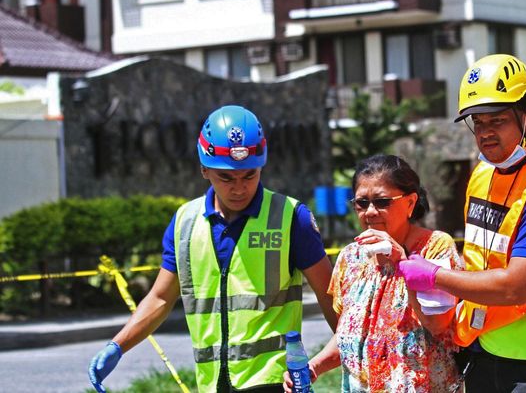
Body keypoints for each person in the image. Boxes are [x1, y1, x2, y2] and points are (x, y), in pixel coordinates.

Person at [88, 105, 338, 393]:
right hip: (211, 384)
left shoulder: (292, 217)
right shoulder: (185, 222)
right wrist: (117, 346)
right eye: (227, 178)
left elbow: (330, 297)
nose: (239, 188)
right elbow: (160, 298)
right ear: (204, 169)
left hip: (274, 381)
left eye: (249, 175)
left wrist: (347, 359)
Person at [397, 54, 526, 393]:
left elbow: (516, 286)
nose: (485, 133)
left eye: (498, 121)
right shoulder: (483, 174)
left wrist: (436, 277)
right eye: (478, 122)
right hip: (485, 349)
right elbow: (481, 262)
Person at [284, 154, 461, 392]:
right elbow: (351, 334)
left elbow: (439, 324)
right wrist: (315, 365)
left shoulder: (436, 248)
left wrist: (402, 263)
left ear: (410, 203)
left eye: (382, 202)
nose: (370, 212)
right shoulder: (350, 257)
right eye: (361, 203)